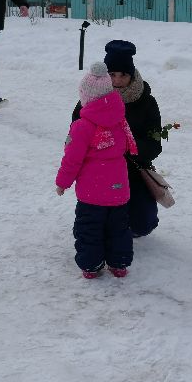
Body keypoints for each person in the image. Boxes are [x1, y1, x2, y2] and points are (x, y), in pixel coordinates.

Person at [72, 40, 163, 238]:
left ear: (131, 75)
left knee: (142, 224)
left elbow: (154, 146)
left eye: (124, 75)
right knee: (95, 223)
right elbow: (75, 137)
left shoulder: (145, 101)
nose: (118, 80)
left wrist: (127, 146)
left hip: (132, 169)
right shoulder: (90, 100)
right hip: (99, 170)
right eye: (112, 74)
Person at [56, 62, 137, 279]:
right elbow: (128, 147)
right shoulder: (120, 120)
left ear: (86, 97)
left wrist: (63, 182)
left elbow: (72, 159)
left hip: (91, 195)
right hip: (118, 190)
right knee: (118, 229)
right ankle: (119, 264)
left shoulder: (82, 126)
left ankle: (91, 265)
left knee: (89, 230)